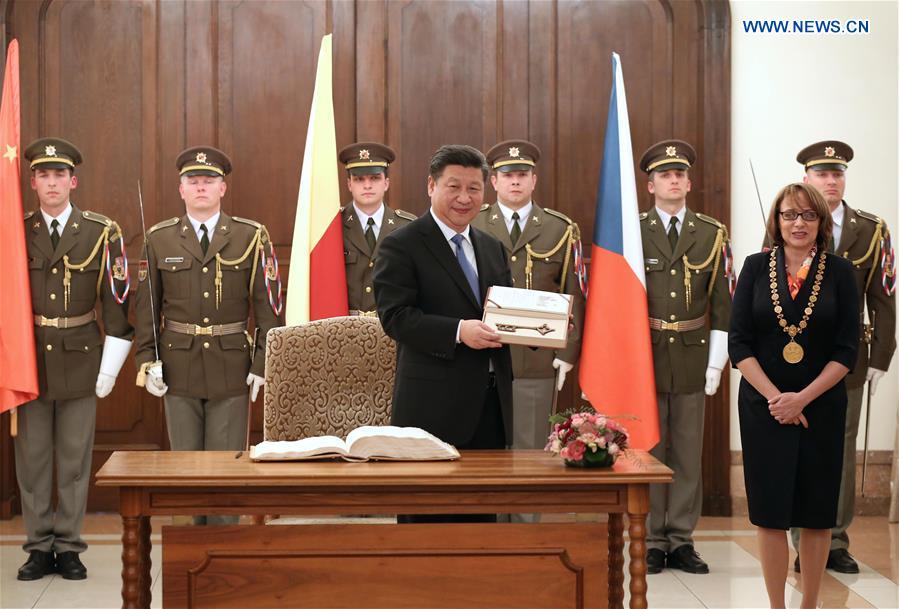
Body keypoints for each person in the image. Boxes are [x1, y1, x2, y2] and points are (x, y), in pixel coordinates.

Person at [134, 146, 283, 525]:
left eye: (209, 181)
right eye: (193, 181)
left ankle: (222, 555)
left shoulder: (251, 236)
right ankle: (188, 557)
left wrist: (262, 363)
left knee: (226, 470)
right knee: (185, 469)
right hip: (177, 366)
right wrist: (147, 361)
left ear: (223, 189)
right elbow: (147, 309)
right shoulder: (159, 238)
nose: (201, 187)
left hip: (232, 367)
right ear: (181, 190)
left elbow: (268, 308)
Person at [730, 182, 858, 609]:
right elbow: (739, 344)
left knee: (817, 513)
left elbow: (847, 349)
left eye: (807, 215)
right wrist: (776, 399)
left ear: (821, 221)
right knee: (769, 513)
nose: (798, 223)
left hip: (820, 406)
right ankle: (776, 606)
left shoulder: (840, 271)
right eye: (789, 215)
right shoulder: (753, 266)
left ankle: (809, 604)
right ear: (776, 220)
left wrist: (801, 398)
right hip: (763, 407)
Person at [373, 144, 513, 522]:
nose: (464, 198)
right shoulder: (401, 245)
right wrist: (457, 331)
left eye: (474, 188)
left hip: (490, 408)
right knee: (426, 520)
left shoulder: (493, 248)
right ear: (431, 186)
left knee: (481, 520)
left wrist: (541, 324)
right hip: (430, 410)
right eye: (454, 187)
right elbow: (395, 317)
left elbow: (502, 314)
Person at [16, 138, 133, 580]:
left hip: (83, 356)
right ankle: (37, 546)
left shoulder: (102, 231)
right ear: (32, 182)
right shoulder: (14, 230)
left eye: (59, 175)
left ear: (73, 181)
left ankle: (68, 545)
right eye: (43, 175)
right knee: (33, 460)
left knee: (73, 457)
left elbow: (117, 304)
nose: (51, 182)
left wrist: (110, 367)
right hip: (29, 361)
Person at [791, 140, 896, 573]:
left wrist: (881, 356)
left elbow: (884, 295)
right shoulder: (790, 221)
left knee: (839, 446)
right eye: (822, 173)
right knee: (799, 445)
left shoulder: (871, 229)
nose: (830, 181)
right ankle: (802, 539)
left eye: (837, 173)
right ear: (806, 179)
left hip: (848, 353)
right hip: (794, 354)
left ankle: (833, 539)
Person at [638, 139, 733, 575]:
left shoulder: (712, 233)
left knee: (689, 452)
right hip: (646, 356)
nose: (673, 180)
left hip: (694, 356)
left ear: (689, 183)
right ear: (651, 185)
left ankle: (681, 539)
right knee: (650, 451)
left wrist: (717, 362)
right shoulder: (634, 231)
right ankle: (652, 539)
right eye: (664, 175)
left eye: (680, 174)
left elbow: (723, 302)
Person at [471, 139, 585, 459]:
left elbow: (574, 291)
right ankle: (490, 513)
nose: (516, 180)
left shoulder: (560, 228)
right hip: (484, 356)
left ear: (534, 180)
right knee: (487, 451)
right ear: (493, 181)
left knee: (532, 451)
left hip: (538, 357)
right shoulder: (473, 224)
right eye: (507, 174)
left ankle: (525, 513)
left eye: (523, 173)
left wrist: (568, 352)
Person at [337, 142, 415, 316]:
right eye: (359, 179)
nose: (367, 185)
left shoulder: (408, 227)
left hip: (393, 327)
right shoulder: (334, 227)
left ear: (386, 183)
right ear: (349, 184)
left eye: (374, 178)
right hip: (343, 329)